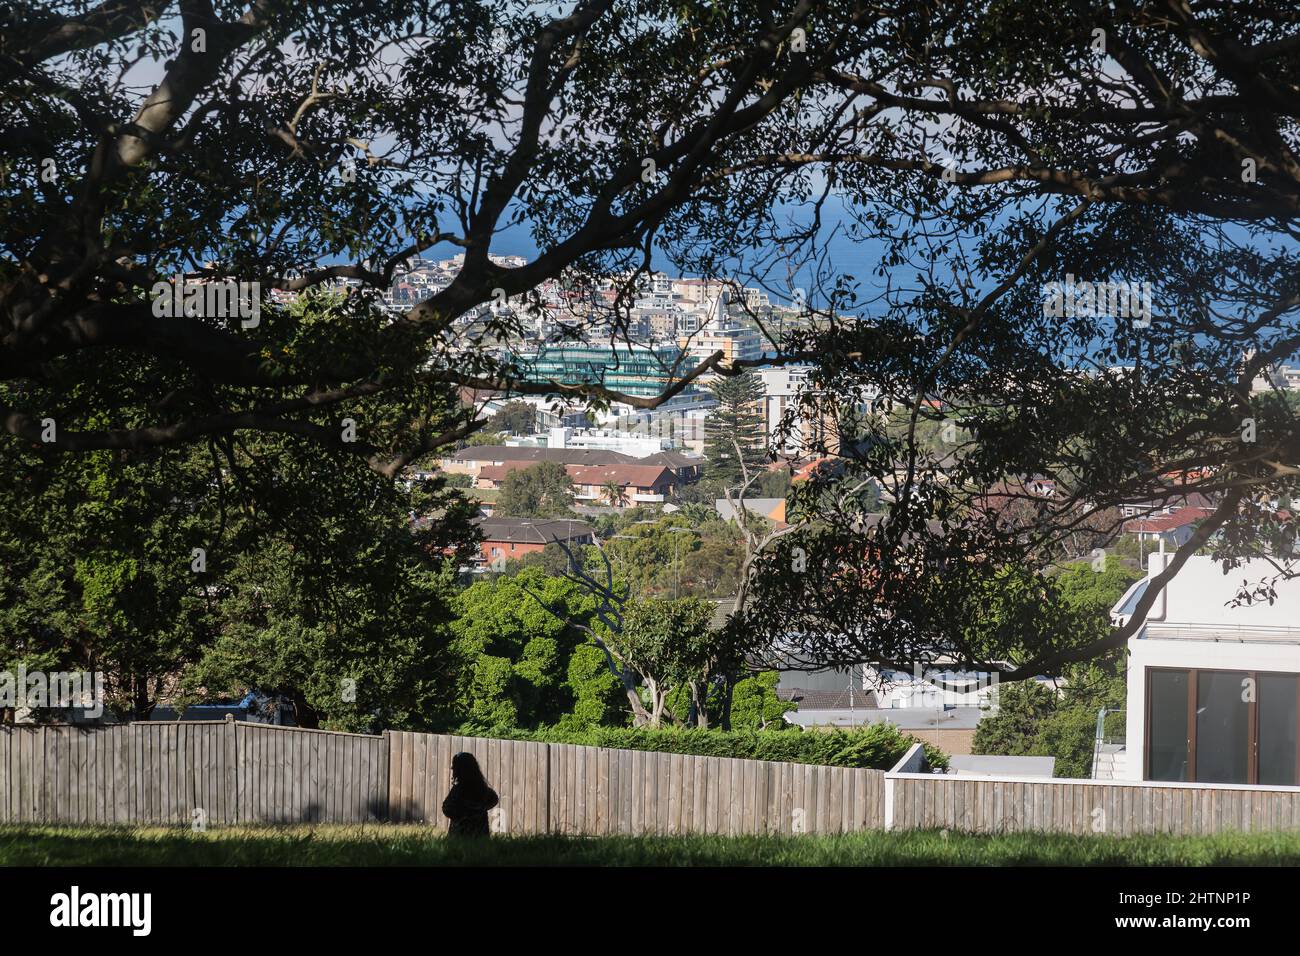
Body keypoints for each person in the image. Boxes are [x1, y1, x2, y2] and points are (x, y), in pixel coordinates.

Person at [442, 751, 499, 837]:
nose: (452, 769)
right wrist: (480, 809)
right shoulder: (481, 788)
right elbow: (494, 799)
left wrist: (462, 815)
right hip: (480, 837)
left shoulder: (459, 789)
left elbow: (447, 808)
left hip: (459, 837)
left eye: (454, 767)